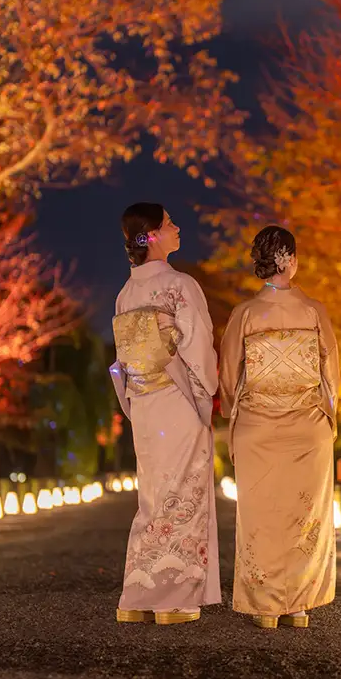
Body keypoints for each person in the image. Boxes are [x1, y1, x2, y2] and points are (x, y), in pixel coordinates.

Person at [218, 225, 339, 629]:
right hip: (307, 427)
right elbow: (330, 374)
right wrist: (327, 417)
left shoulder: (245, 314)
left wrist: (239, 413)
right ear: (289, 259)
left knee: (261, 515)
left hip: (258, 428)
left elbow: (228, 376)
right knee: (303, 514)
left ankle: (266, 605)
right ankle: (299, 605)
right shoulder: (314, 311)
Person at [109, 202, 221, 625]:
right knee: (184, 497)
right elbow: (196, 347)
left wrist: (133, 401)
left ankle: (137, 594)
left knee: (153, 496)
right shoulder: (180, 285)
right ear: (153, 236)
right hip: (176, 399)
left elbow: (123, 358)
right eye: (170, 223)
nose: (177, 228)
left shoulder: (126, 293)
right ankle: (173, 597)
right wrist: (206, 393)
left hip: (145, 403)